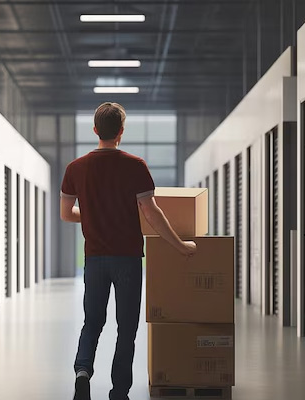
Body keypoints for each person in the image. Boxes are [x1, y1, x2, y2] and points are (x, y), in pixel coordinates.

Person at [60, 102, 197, 400]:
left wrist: (94, 213)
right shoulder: (136, 166)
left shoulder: (75, 168)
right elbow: (152, 213)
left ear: (95, 130)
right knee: (126, 328)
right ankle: (119, 391)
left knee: (92, 322)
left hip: (94, 259)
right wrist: (180, 246)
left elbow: (66, 213)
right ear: (121, 131)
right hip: (128, 260)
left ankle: (82, 371)